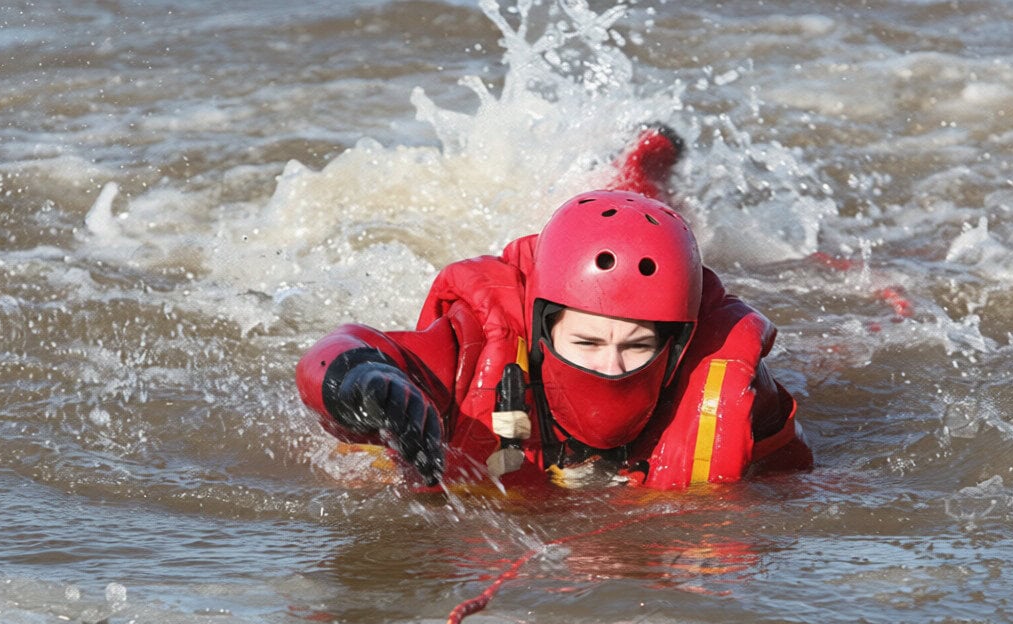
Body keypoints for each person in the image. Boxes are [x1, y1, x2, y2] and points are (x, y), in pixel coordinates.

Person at [295, 130, 812, 490]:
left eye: (638, 346)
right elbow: (336, 354)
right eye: (587, 342)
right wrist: (361, 382)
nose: (612, 366)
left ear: (677, 346)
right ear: (542, 328)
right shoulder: (470, 350)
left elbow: (794, 484)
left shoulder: (733, 379)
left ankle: (644, 174)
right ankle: (632, 175)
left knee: (648, 217)